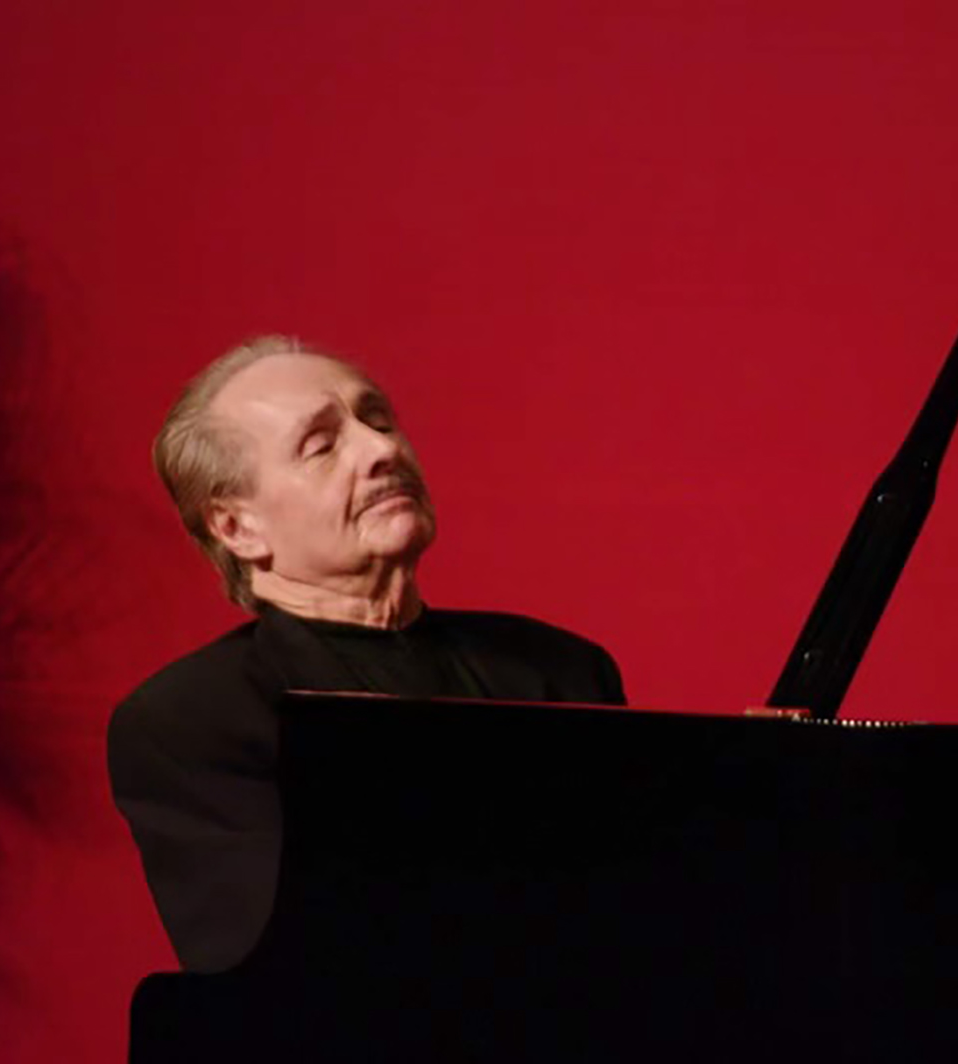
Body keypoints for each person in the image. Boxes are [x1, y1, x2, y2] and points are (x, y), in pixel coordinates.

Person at [107, 335, 626, 972]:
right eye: (321, 446)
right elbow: (292, 976)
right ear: (237, 527)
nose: (382, 449)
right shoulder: (193, 719)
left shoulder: (559, 669)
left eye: (378, 420)